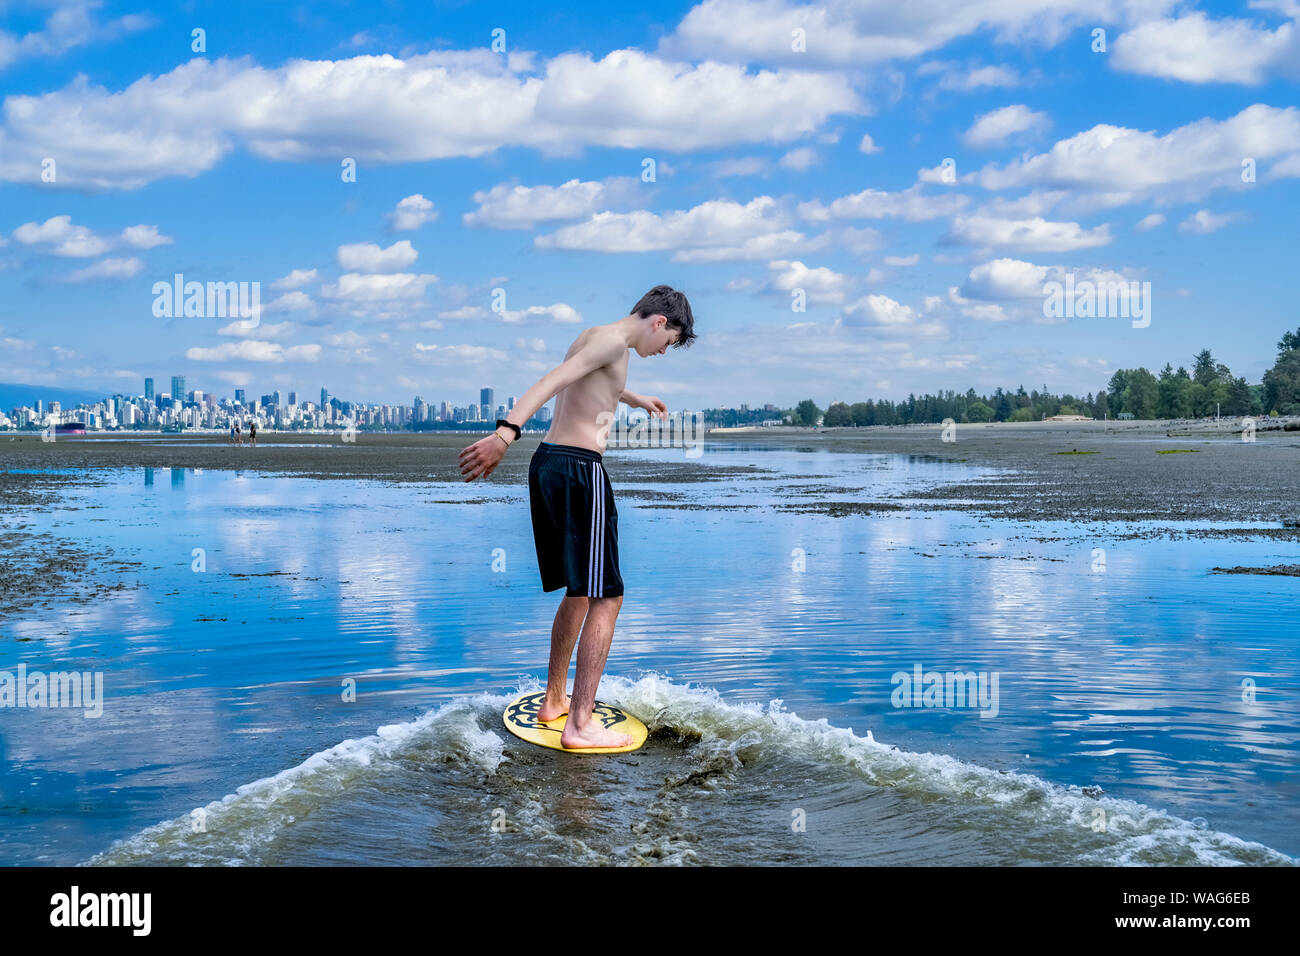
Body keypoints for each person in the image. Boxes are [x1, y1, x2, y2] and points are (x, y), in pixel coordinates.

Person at [458, 284, 695, 749]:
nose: (662, 351)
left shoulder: (599, 336)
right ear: (659, 322)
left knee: (582, 591)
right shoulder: (613, 343)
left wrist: (635, 399)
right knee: (608, 597)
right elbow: (553, 381)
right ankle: (579, 724)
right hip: (579, 470)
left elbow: (597, 382)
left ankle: (554, 702)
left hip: (550, 465)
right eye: (667, 343)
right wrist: (505, 435)